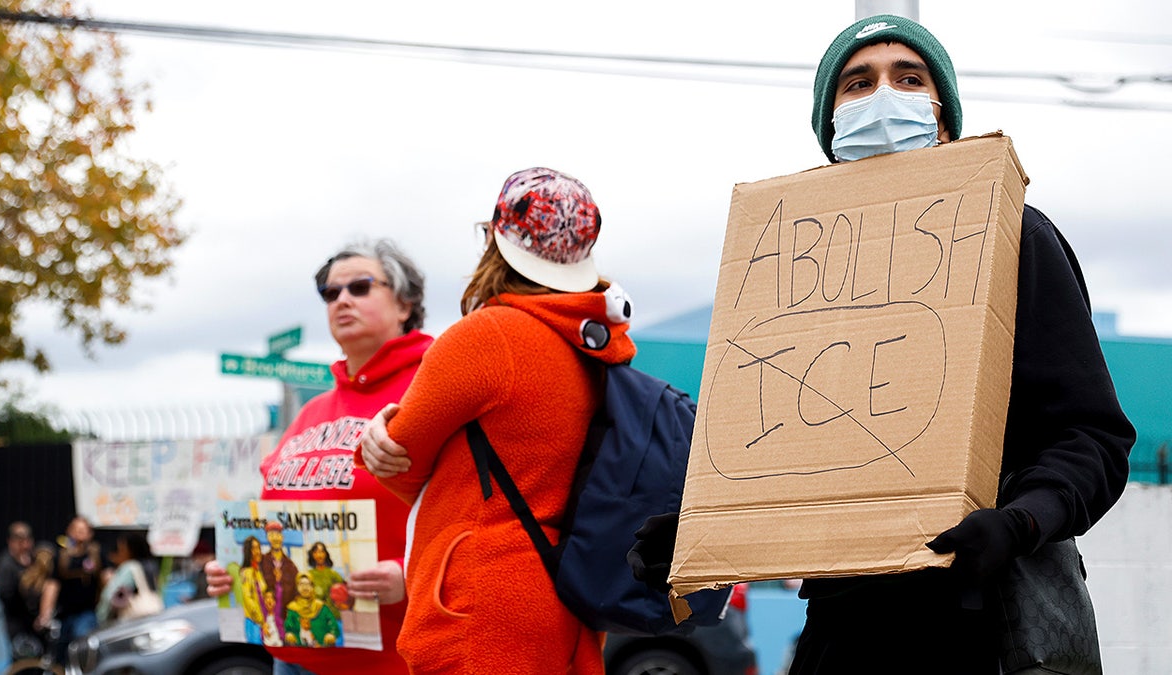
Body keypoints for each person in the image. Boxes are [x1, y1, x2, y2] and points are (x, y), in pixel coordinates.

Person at [628, 14, 1135, 675]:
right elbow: (793, 458)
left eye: (909, 78)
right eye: (858, 82)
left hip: (983, 631)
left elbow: (1091, 438)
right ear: (831, 127)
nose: (884, 96)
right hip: (843, 634)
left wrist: (1018, 522)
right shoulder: (791, 268)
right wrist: (705, 535)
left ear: (944, 118)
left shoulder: (1012, 237)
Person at [358, 167, 637, 674]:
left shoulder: (487, 338)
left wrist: (379, 437)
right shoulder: (595, 346)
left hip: (480, 602)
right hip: (561, 595)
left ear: (494, 240)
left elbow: (400, 461)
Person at [204, 238, 432, 675]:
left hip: (392, 660)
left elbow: (481, 512)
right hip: (291, 656)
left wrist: (410, 575)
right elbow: (270, 518)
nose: (342, 299)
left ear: (405, 304)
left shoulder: (432, 388)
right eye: (331, 293)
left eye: (361, 287)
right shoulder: (310, 412)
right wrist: (234, 569)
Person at [52, 515, 102, 663]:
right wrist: (45, 613)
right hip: (64, 615)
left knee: (81, 650)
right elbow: (52, 584)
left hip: (87, 613)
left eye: (83, 530)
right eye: (75, 530)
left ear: (90, 534)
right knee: (61, 655)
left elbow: (106, 578)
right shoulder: (61, 556)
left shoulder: (96, 554)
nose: (79, 534)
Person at [0, 522, 42, 659]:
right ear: (11, 542)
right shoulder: (6, 565)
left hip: (38, 621)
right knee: (22, 659)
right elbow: (6, 595)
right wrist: (22, 580)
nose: (25, 546)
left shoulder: (36, 560)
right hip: (17, 622)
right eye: (20, 541)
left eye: (28, 540)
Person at [95, 532, 161, 624]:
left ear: (130, 550)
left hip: (132, 619)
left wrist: (108, 583)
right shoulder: (151, 565)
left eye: (121, 549)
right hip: (152, 613)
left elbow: (110, 595)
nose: (119, 553)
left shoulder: (129, 568)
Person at [284, 573, 343, 648]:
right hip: (300, 651)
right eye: (301, 584)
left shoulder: (321, 607)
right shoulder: (292, 608)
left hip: (321, 650)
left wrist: (331, 634)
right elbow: (289, 626)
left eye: (308, 584)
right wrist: (289, 634)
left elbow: (333, 625)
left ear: (312, 586)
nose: (305, 588)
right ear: (297, 587)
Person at [238, 536, 272, 644]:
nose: (258, 552)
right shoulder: (246, 573)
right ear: (248, 551)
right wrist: (261, 620)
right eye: (254, 548)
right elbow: (248, 599)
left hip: (262, 621)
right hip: (254, 622)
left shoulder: (257, 571)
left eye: (258, 548)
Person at [305, 542, 349, 613]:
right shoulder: (309, 575)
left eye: (322, 551)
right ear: (312, 555)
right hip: (316, 615)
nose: (319, 555)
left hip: (333, 615)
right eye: (316, 552)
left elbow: (344, 590)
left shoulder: (333, 574)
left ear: (325, 554)